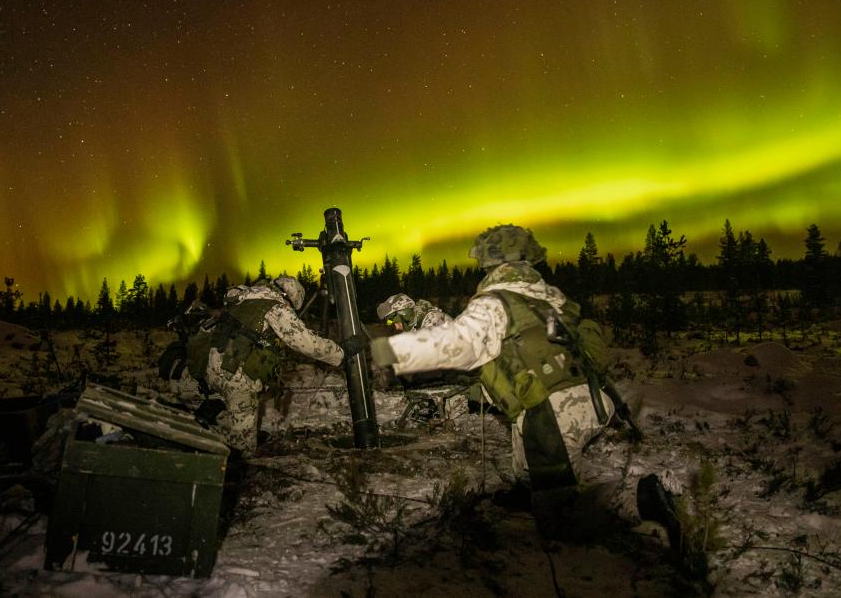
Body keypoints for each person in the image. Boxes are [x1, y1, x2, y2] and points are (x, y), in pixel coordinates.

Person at [370, 224, 678, 545]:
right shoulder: (550, 297)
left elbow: (459, 344)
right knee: (522, 429)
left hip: (555, 412)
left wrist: (388, 350)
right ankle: (528, 490)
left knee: (559, 518)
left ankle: (640, 499)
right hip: (590, 397)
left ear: (492, 264)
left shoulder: (493, 302)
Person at [194, 275, 363, 455]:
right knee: (242, 445)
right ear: (290, 296)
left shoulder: (242, 300)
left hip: (212, 369)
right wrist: (340, 352)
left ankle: (217, 434)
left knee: (232, 414)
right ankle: (233, 469)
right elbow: (305, 342)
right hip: (237, 376)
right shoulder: (275, 305)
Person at [376, 293, 450, 332]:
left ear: (405, 314)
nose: (397, 327)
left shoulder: (434, 319)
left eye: (397, 322)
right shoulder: (414, 324)